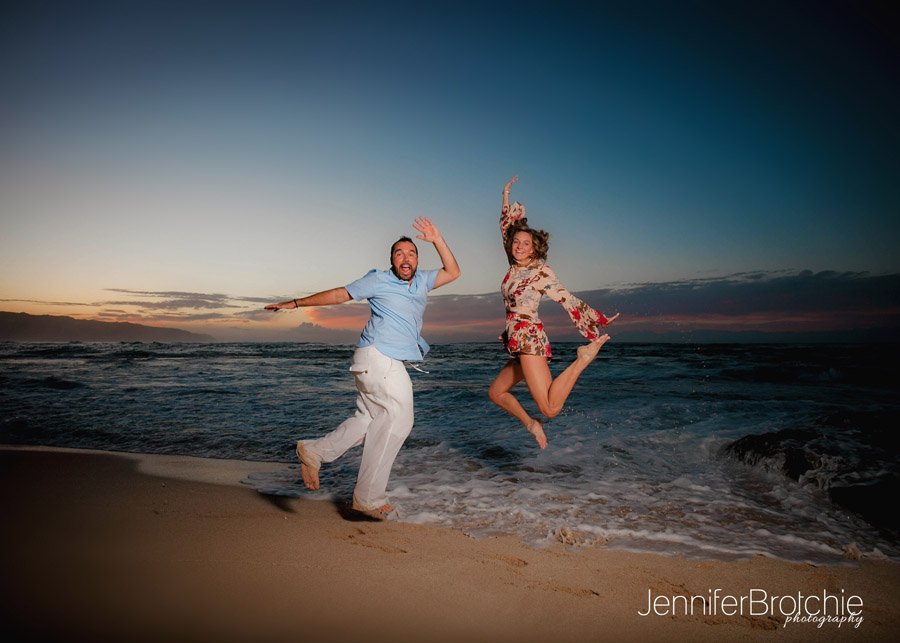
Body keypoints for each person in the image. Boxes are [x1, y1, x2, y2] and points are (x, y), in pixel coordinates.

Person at [266, 217, 460, 519]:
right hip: (379, 357)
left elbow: (453, 271)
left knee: (369, 419)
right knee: (400, 419)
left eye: (411, 253)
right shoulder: (378, 280)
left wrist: (437, 239)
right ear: (391, 260)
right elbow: (340, 294)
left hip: (374, 361)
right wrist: (296, 303)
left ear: (417, 259)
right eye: (399, 253)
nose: (405, 258)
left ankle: (315, 451)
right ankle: (368, 496)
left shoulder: (422, 281)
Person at [488, 176, 618, 449]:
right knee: (496, 393)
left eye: (526, 243)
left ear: (534, 248)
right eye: (516, 242)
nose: (519, 246)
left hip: (529, 338)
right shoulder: (514, 267)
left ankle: (582, 359)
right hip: (516, 340)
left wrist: (597, 319)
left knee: (549, 408)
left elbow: (566, 298)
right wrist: (505, 197)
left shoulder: (540, 272)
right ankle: (531, 424)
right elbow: (506, 229)